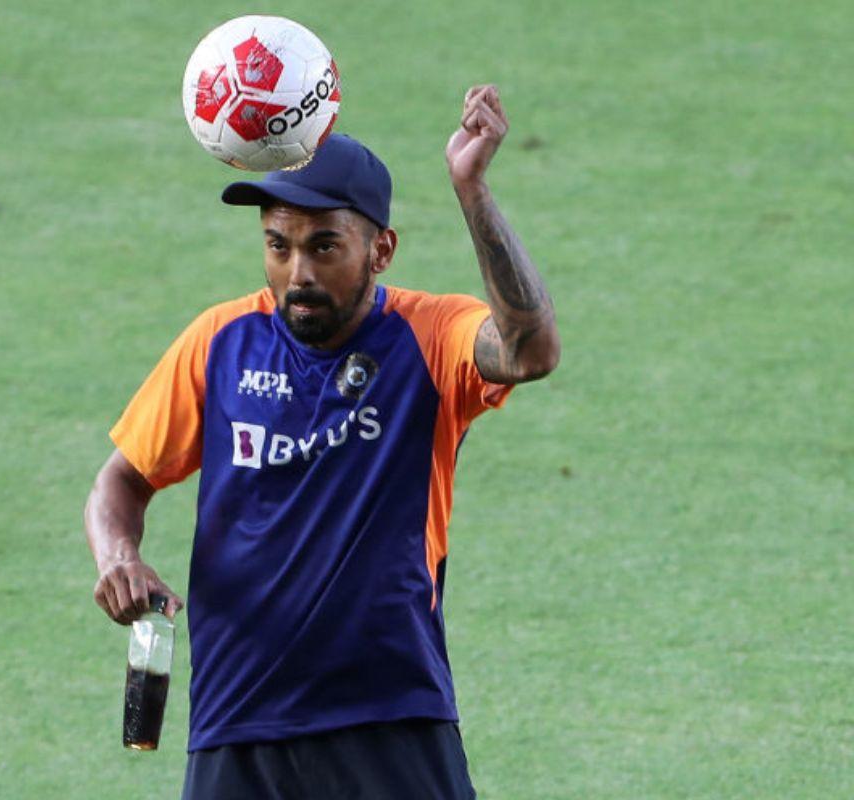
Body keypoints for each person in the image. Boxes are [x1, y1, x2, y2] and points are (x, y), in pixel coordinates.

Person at [85, 85, 560, 799]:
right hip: (239, 715)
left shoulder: (430, 337)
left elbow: (528, 351)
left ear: (382, 249)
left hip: (390, 709)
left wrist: (472, 191)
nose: (297, 274)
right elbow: (120, 481)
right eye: (278, 246)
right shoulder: (221, 342)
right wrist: (119, 556)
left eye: (324, 246)